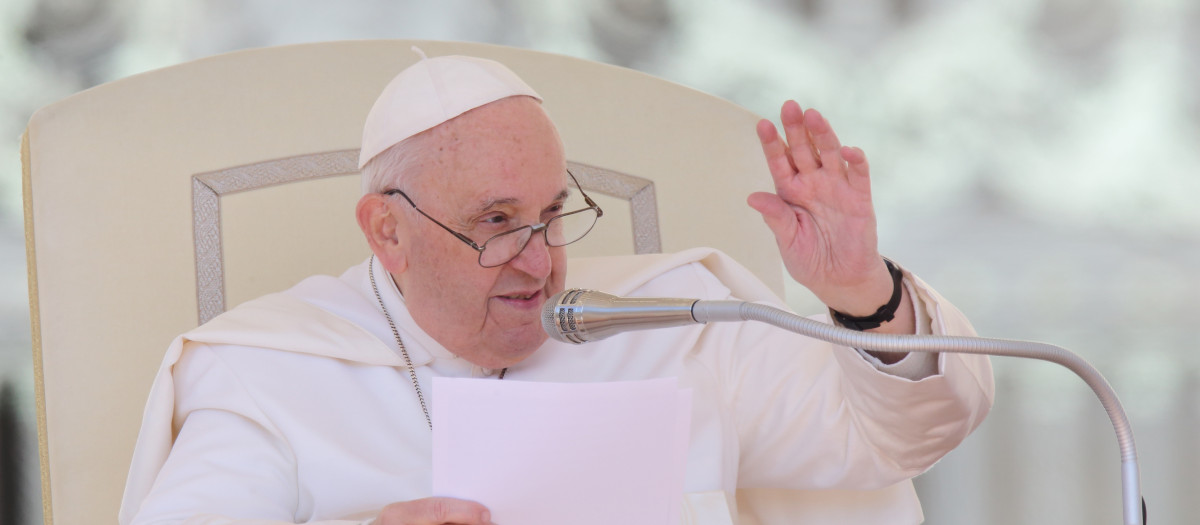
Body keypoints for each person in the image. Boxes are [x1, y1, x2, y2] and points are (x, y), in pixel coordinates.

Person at [119, 52, 993, 525]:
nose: (540, 261)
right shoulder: (269, 373)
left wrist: (861, 294)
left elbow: (901, 439)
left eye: (552, 213)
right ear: (388, 231)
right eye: (496, 222)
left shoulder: (677, 324)